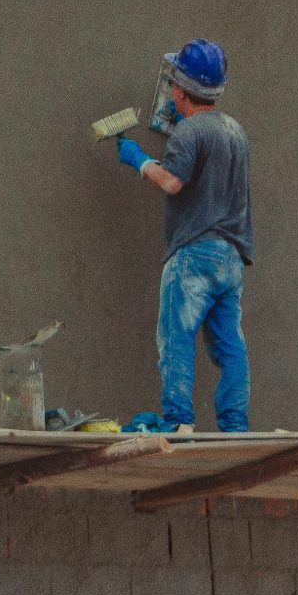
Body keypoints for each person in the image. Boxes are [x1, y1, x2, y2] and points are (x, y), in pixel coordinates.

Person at [110, 40, 252, 432]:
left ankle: (178, 423)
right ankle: (236, 427)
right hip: (232, 257)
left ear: (179, 90)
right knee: (229, 346)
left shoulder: (189, 133)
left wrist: (139, 160)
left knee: (177, 336)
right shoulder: (235, 131)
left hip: (193, 253)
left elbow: (172, 182)